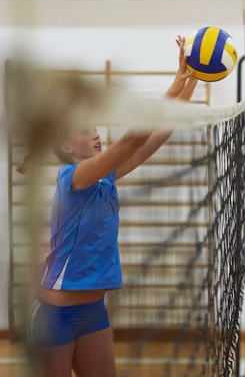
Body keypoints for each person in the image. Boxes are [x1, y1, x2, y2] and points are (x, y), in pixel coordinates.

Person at [23, 36, 198, 377]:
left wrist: (191, 79)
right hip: (55, 317)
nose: (95, 133)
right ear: (66, 146)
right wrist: (175, 83)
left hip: (93, 312)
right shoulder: (73, 177)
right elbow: (132, 139)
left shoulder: (105, 179)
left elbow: (154, 137)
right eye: (84, 131)